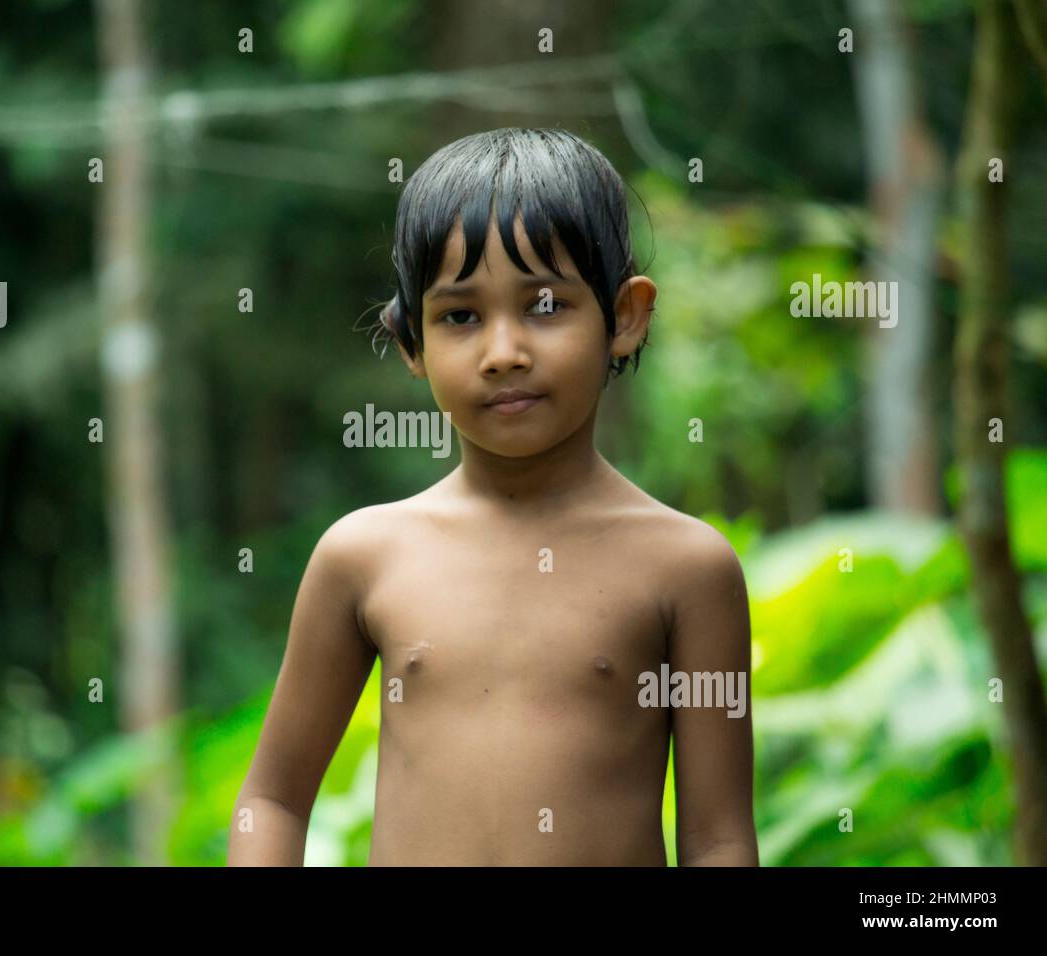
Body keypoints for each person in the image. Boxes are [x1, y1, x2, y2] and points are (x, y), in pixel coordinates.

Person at [228, 127, 758, 866]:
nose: (503, 351)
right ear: (411, 342)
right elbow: (271, 801)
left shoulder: (688, 569)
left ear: (626, 317)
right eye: (460, 316)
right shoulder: (363, 557)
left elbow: (721, 840)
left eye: (545, 305)